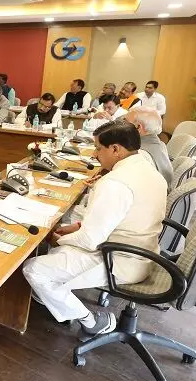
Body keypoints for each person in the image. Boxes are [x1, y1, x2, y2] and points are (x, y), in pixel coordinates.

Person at [23, 121, 166, 337]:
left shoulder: (116, 183)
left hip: (121, 261)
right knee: (63, 243)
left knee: (34, 269)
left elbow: (90, 241)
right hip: (144, 252)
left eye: (98, 149)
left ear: (115, 149)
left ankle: (90, 321)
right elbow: (123, 217)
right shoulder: (146, 165)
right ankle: (55, 297)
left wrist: (56, 239)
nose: (95, 155)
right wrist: (76, 227)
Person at [125, 107, 173, 187]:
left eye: (125, 122)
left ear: (138, 127)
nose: (121, 126)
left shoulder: (139, 153)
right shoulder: (161, 144)